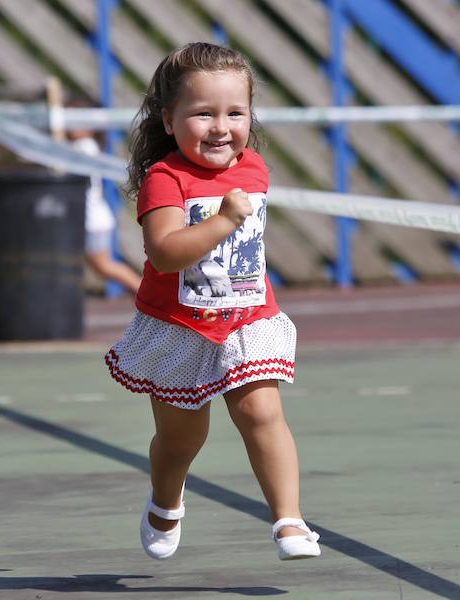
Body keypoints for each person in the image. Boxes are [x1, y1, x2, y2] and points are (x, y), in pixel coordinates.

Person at [104, 42, 320, 561]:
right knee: (182, 440)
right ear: (170, 119)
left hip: (247, 319)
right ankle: (166, 500)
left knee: (261, 411)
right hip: (181, 326)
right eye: (203, 114)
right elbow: (165, 252)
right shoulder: (165, 180)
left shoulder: (254, 169)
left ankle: (288, 521)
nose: (220, 127)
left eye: (235, 112)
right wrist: (222, 221)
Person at [65, 109, 142, 295]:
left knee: (105, 266)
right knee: (100, 266)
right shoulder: (83, 145)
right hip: (89, 219)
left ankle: (145, 293)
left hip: (93, 221)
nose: (70, 126)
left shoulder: (84, 146)